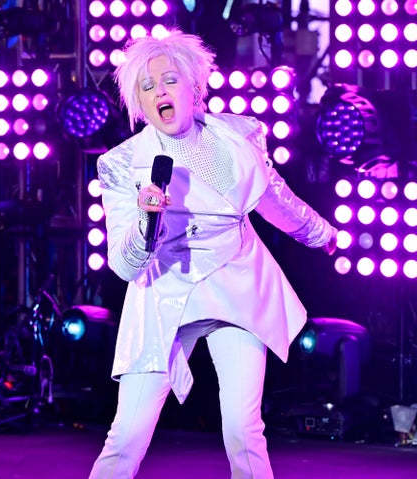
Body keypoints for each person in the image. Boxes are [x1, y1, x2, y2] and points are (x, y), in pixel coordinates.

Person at [89, 28, 338, 479]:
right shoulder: (122, 164)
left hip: (237, 284)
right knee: (127, 435)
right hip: (166, 293)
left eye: (168, 80)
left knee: (244, 428)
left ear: (194, 86)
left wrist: (319, 233)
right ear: (138, 106)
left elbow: (273, 198)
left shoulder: (238, 136)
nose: (158, 92)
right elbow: (123, 265)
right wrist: (147, 224)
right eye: (146, 88)